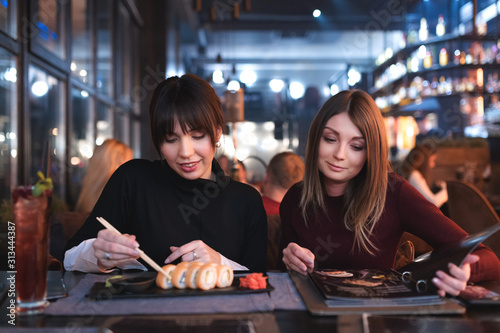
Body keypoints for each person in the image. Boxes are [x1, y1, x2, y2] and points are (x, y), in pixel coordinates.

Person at [279, 90, 500, 297]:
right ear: (315, 138)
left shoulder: (393, 192)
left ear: (371, 152)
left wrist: (466, 272)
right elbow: (285, 281)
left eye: (356, 146)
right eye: (330, 139)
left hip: (378, 319)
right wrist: (290, 261)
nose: (339, 154)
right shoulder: (293, 200)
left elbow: (488, 257)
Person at [64, 74, 267, 273]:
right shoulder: (133, 180)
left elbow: (260, 283)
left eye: (197, 136)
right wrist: (99, 255)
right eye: (171, 139)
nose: (185, 152)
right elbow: (69, 257)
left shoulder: (245, 200)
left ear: (217, 132)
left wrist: (220, 262)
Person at [74, 139, 134, 213]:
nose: (132, 169)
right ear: (119, 164)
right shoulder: (120, 192)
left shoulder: (87, 192)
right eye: (129, 162)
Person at [396, 142, 448, 208]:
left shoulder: (411, 174)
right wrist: (446, 190)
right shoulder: (414, 176)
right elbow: (433, 203)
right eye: (432, 160)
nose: (433, 165)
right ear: (424, 162)